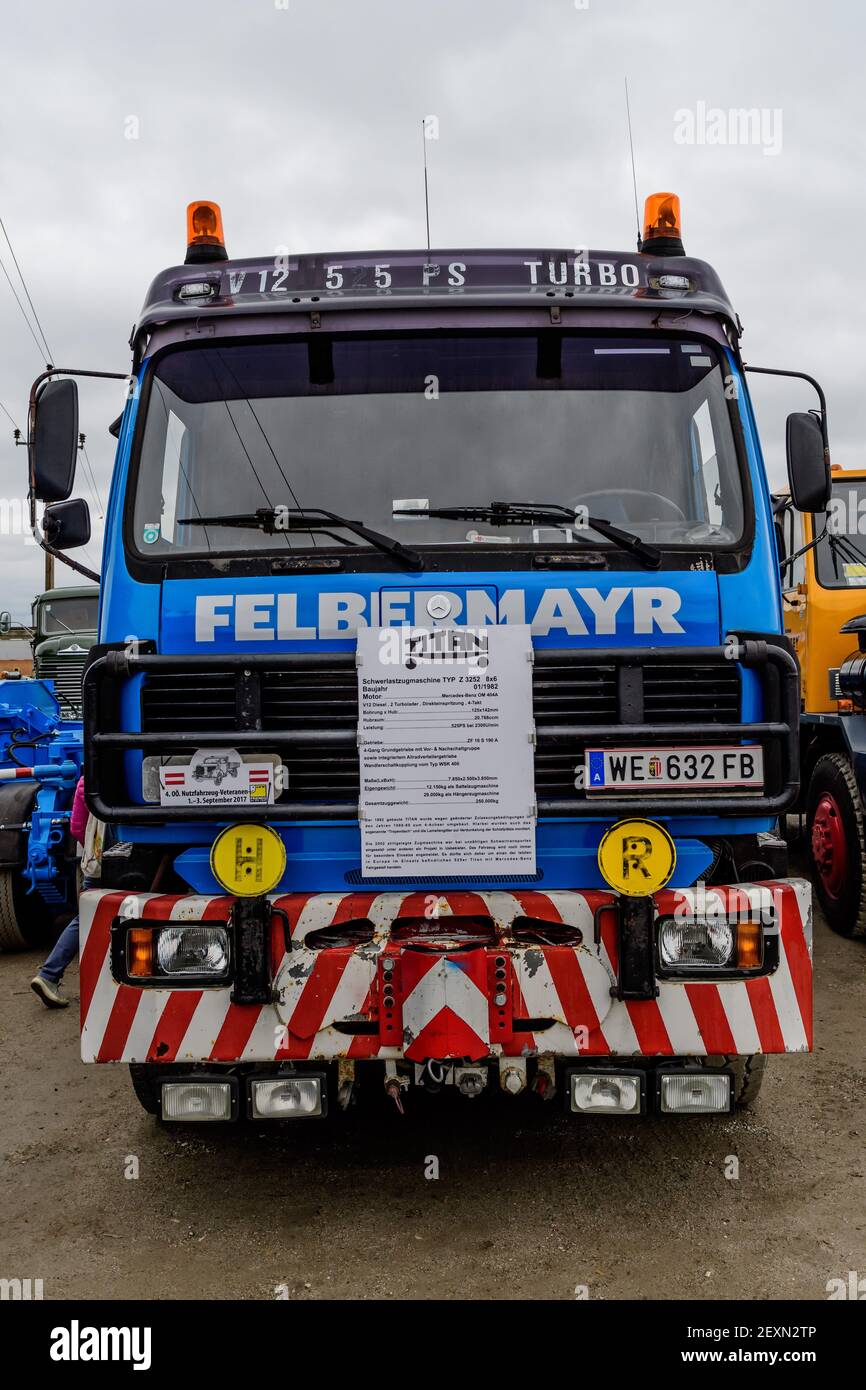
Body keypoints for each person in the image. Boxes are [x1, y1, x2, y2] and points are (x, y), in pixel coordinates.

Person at [30, 776, 89, 1008]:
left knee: (87, 915)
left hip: (96, 859)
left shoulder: (86, 781)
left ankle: (49, 975)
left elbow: (76, 827)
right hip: (127, 856)